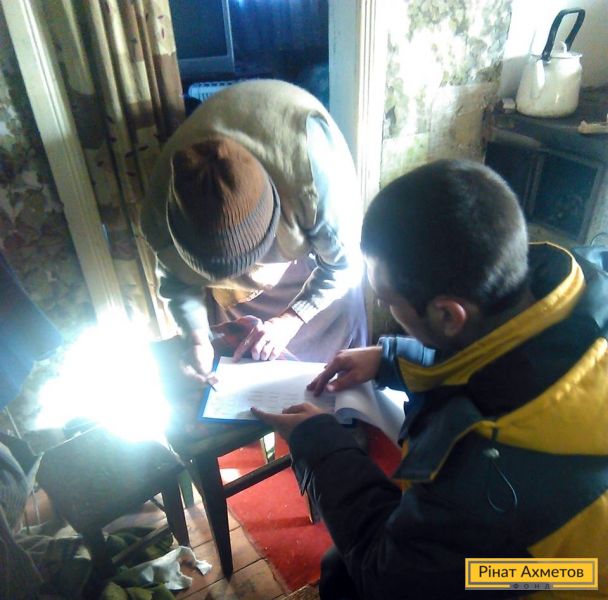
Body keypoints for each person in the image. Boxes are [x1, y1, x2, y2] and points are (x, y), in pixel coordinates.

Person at [252, 160, 608, 599]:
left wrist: (322, 444)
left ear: (447, 315)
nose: (388, 310)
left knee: (352, 577)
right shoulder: (578, 294)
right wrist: (391, 359)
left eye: (388, 300)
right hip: (576, 548)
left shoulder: (476, 473)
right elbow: (503, 363)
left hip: (562, 576)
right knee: (342, 566)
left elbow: (389, 578)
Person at [141, 79, 366, 382]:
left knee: (333, 379)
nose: (245, 273)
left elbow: (344, 266)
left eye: (248, 262)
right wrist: (196, 339)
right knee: (246, 366)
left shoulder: (311, 173)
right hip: (235, 297)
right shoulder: (160, 214)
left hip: (311, 270)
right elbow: (177, 282)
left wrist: (291, 319)